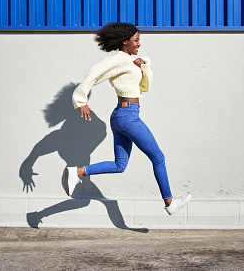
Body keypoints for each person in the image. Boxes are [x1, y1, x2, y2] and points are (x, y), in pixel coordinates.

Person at [64, 22, 191, 215]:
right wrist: (80, 99)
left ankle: (78, 172)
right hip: (128, 115)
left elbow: (143, 88)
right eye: (136, 40)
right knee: (158, 157)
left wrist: (143, 66)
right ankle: (169, 202)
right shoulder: (119, 59)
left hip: (122, 115)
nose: (139, 44)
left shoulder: (129, 62)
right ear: (125, 41)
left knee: (119, 165)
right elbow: (95, 73)